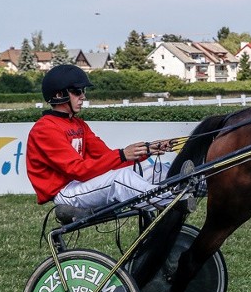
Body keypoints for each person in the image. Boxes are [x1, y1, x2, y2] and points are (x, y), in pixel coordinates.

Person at [26, 65, 190, 219]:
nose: (83, 96)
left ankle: (198, 184)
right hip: (65, 192)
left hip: (82, 184)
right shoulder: (44, 129)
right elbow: (78, 170)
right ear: (58, 95)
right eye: (77, 91)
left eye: (83, 91)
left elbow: (107, 157)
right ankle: (172, 199)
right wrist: (123, 155)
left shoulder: (79, 124)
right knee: (120, 178)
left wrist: (146, 150)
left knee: (152, 168)